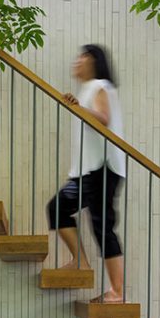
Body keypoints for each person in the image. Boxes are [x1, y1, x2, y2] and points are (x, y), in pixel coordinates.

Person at [47, 44, 126, 303]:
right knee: (58, 207)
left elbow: (103, 118)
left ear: (92, 60)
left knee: (103, 225)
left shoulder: (100, 86)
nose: (77, 61)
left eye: (81, 56)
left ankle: (117, 291)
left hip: (103, 169)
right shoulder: (88, 89)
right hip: (86, 172)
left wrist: (80, 107)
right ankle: (80, 262)